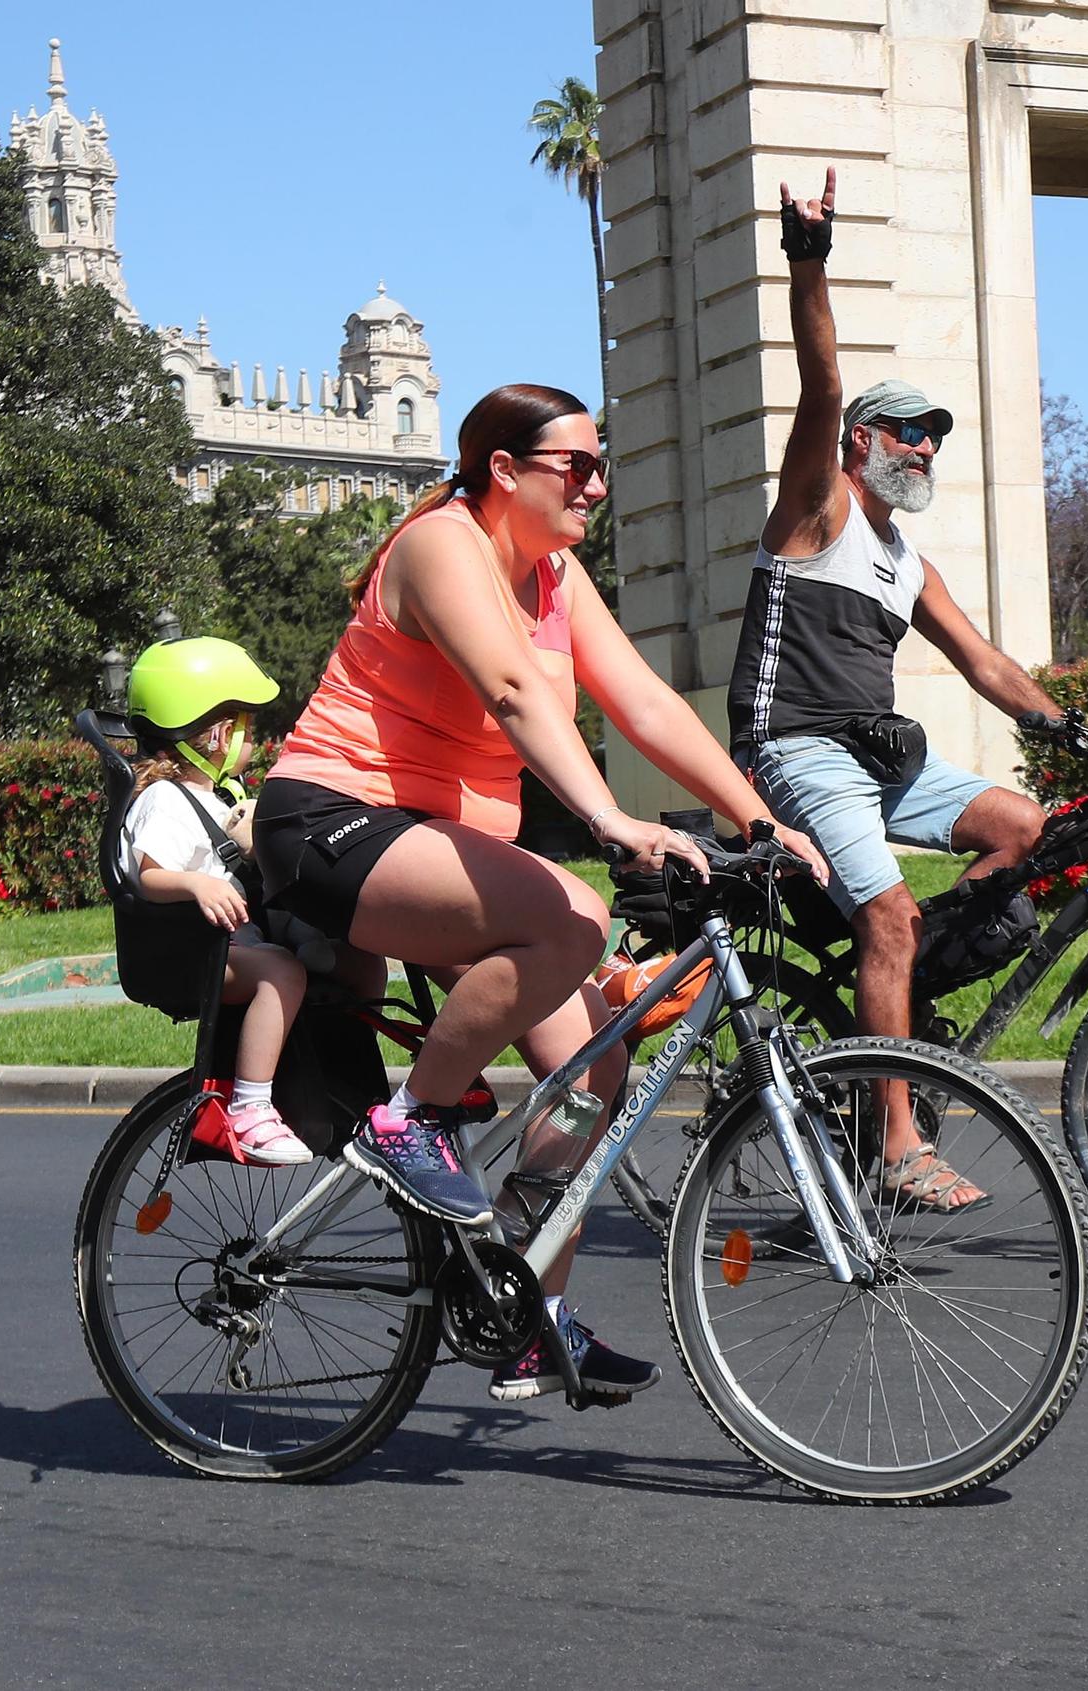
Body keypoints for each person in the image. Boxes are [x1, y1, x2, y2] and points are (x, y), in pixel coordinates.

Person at [256, 382, 827, 1404]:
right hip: (334, 823)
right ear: (502, 471)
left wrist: (757, 818)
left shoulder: (555, 575)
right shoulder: (440, 544)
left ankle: (525, 1312)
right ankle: (412, 1121)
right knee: (571, 911)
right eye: (576, 465)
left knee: (591, 1072)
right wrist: (611, 821)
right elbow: (512, 692)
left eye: (601, 465)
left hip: (440, 849)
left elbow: (643, 699)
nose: (596, 484)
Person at [725, 168, 1062, 1215]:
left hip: (878, 752)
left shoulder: (904, 561)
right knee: (886, 911)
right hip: (794, 746)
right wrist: (807, 259)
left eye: (932, 435)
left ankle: (897, 997)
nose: (922, 446)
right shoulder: (815, 510)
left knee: (1026, 828)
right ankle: (895, 1141)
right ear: (861, 444)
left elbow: (986, 665)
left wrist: (1073, 729)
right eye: (906, 431)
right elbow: (820, 379)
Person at [122, 637, 312, 1168]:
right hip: (196, 955)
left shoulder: (214, 796)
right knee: (283, 975)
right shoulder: (166, 800)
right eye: (248, 726)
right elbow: (149, 876)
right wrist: (197, 885)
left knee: (326, 949)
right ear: (218, 734)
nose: (253, 737)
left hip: (224, 944)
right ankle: (252, 1109)